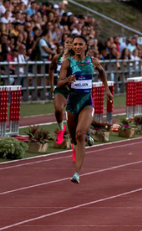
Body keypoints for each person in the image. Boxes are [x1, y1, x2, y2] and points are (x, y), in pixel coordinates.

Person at [57, 35, 110, 184]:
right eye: (75, 44)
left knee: (79, 135)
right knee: (75, 138)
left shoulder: (92, 61)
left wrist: (107, 89)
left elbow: (102, 72)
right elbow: (59, 83)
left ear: (86, 47)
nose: (78, 46)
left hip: (87, 102)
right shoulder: (67, 63)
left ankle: (77, 173)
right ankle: (87, 136)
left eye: (80, 44)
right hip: (72, 104)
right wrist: (67, 80)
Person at [50, 36, 74, 145]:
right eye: (66, 42)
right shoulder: (57, 57)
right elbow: (50, 69)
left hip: (74, 90)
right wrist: (51, 86)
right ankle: (61, 128)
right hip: (61, 89)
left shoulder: (78, 58)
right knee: (58, 110)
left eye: (71, 43)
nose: (68, 44)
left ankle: (76, 144)